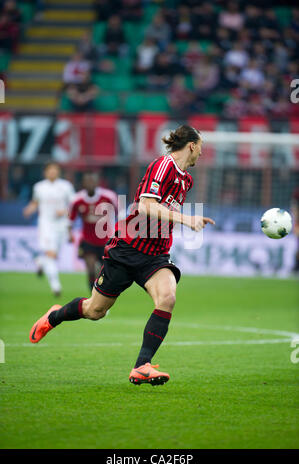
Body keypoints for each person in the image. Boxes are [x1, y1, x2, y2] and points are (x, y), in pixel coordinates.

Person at [29, 125, 215, 386]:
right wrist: (186, 219)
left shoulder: (186, 179)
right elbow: (147, 206)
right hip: (127, 250)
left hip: (156, 255)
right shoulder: (163, 166)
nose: (201, 154)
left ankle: (142, 365)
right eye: (201, 147)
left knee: (167, 297)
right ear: (192, 145)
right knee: (95, 311)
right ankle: (54, 316)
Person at [23, 162, 75, 296]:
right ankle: (55, 286)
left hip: (61, 225)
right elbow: (35, 202)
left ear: (59, 172)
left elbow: (74, 206)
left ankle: (40, 261)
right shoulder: (39, 187)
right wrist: (30, 209)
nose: (52, 172)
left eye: (55, 170)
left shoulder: (66, 186)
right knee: (51, 254)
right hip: (46, 224)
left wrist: (64, 212)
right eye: (50, 170)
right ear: (45, 172)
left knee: (53, 255)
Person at [69, 172, 118, 291]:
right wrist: (69, 233)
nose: (90, 183)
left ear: (97, 182)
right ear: (83, 183)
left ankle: (102, 296)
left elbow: (119, 214)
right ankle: (93, 297)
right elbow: (70, 219)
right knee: (91, 269)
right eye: (87, 181)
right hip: (87, 240)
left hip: (106, 240)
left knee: (103, 272)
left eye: (92, 181)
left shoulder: (109, 197)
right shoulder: (77, 199)